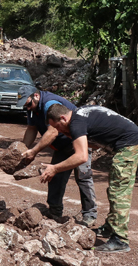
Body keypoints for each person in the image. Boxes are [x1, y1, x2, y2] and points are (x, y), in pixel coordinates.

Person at [44, 103, 138, 253]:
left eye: (57, 127)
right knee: (114, 189)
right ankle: (110, 228)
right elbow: (96, 144)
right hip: (128, 139)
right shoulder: (79, 115)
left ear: (63, 118)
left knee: (119, 191)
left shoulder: (77, 123)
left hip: (129, 143)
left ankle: (120, 240)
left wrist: (54, 168)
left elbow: (82, 157)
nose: (58, 131)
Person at [16, 85, 98, 226]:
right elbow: (31, 129)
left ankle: (89, 215)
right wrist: (24, 150)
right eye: (25, 106)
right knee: (53, 175)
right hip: (62, 146)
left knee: (83, 177)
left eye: (28, 104)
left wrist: (34, 151)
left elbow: (52, 132)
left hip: (78, 141)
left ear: (36, 96)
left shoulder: (50, 104)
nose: (28, 108)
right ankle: (55, 212)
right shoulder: (32, 109)